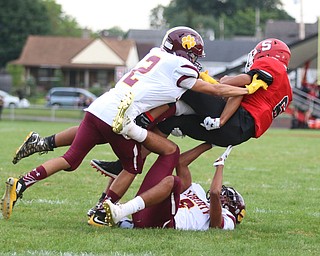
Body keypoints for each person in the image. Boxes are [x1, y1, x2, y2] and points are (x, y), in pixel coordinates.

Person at [1, 26, 262, 221]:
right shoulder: (181, 68)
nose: (196, 61)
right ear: (187, 51)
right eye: (194, 54)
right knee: (132, 166)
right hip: (120, 116)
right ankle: (103, 209)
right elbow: (214, 91)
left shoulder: (154, 55)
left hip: (100, 106)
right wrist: (247, 90)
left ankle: (23, 182)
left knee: (71, 159)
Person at [87, 38, 292, 215]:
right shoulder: (287, 91)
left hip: (232, 119)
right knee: (171, 122)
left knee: (181, 85)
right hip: (234, 134)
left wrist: (226, 85)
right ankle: (126, 162)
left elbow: (238, 86)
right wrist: (220, 124)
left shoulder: (271, 65)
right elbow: (245, 97)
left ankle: (140, 120)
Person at [101, 144, 245, 230]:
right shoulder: (198, 191)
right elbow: (181, 162)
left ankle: (121, 211)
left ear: (235, 208)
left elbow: (214, 192)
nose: (224, 196)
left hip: (162, 222)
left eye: (229, 198)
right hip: (143, 212)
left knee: (174, 182)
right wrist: (210, 144)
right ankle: (103, 208)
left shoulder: (228, 219)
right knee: (171, 152)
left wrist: (220, 165)